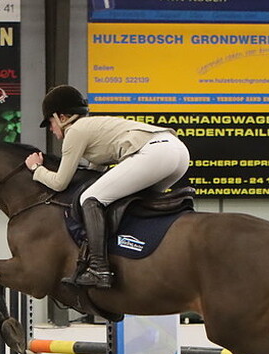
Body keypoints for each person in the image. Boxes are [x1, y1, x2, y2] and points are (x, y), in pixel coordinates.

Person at [25, 85, 190, 289]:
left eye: (50, 122)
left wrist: (36, 169)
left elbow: (60, 183)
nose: (51, 129)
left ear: (62, 117)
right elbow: (96, 173)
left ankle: (99, 268)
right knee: (128, 201)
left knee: (89, 199)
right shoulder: (93, 126)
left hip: (155, 153)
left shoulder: (75, 131)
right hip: (178, 153)